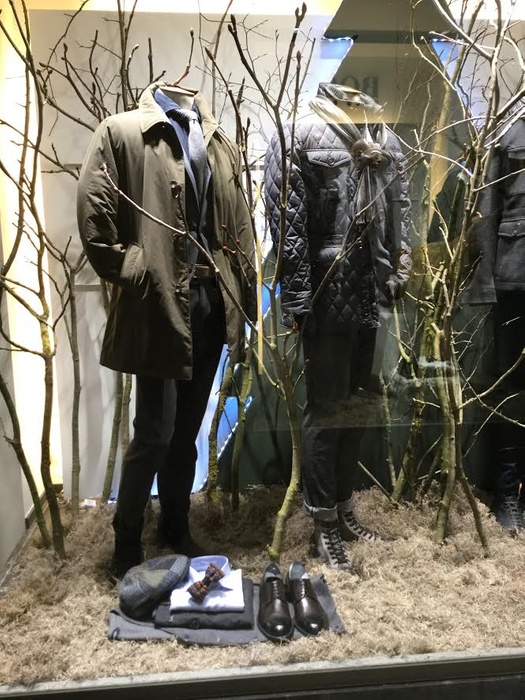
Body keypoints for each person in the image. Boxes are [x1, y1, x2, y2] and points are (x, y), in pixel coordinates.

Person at [77, 82, 256, 578]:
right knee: (154, 432)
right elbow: (94, 213)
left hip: (211, 301)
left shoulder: (218, 141)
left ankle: (175, 527)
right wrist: (135, 269)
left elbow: (239, 223)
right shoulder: (122, 132)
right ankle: (126, 539)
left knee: (186, 432)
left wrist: (245, 297)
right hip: (158, 303)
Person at [265, 83, 412, 570]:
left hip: (376, 290)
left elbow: (402, 208)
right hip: (329, 293)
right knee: (326, 409)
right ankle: (323, 521)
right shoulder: (300, 134)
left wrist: (402, 268)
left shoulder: (385, 136)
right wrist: (298, 297)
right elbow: (287, 223)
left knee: (358, 406)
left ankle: (345, 509)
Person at [462, 107, 525, 533]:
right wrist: (483, 283)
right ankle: (507, 492)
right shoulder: (509, 134)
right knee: (512, 390)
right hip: (515, 280)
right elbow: (485, 211)